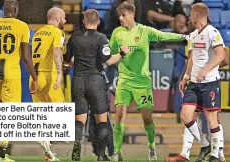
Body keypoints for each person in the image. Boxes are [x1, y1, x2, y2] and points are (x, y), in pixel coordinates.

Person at [109, 2, 188, 161]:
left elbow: (163, 35)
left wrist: (184, 36)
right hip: (124, 81)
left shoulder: (144, 31)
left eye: (123, 15)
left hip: (142, 82)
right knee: (119, 115)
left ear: (131, 14)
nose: (120, 19)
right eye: (119, 16)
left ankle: (151, 148)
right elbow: (110, 55)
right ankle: (117, 152)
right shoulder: (117, 33)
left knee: (147, 118)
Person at [0, 0, 38, 162]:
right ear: (16, 10)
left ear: (4, 10)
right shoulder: (22, 26)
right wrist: (34, 76)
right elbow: (25, 56)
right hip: (11, 73)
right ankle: (2, 153)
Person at [65, 9, 129, 161]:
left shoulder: (74, 37)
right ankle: (101, 156)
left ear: (83, 21)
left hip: (78, 81)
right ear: (98, 22)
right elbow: (108, 60)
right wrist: (122, 53)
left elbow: (67, 60)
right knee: (102, 120)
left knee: (79, 120)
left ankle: (76, 145)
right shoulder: (101, 38)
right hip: (95, 81)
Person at [164, 17, 229, 162]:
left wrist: (209, 69)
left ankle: (219, 153)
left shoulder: (212, 35)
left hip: (208, 81)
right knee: (190, 116)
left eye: (191, 18)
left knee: (213, 118)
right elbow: (190, 60)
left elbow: (225, 59)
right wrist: (184, 77)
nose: (188, 21)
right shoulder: (193, 38)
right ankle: (185, 154)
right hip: (194, 82)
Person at [30, 7, 67, 162]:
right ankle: (45, 141)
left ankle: (47, 154)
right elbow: (57, 51)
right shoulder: (57, 32)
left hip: (34, 77)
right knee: (60, 112)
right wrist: (59, 73)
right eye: (64, 18)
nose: (65, 21)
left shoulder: (38, 32)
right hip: (49, 75)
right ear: (57, 19)